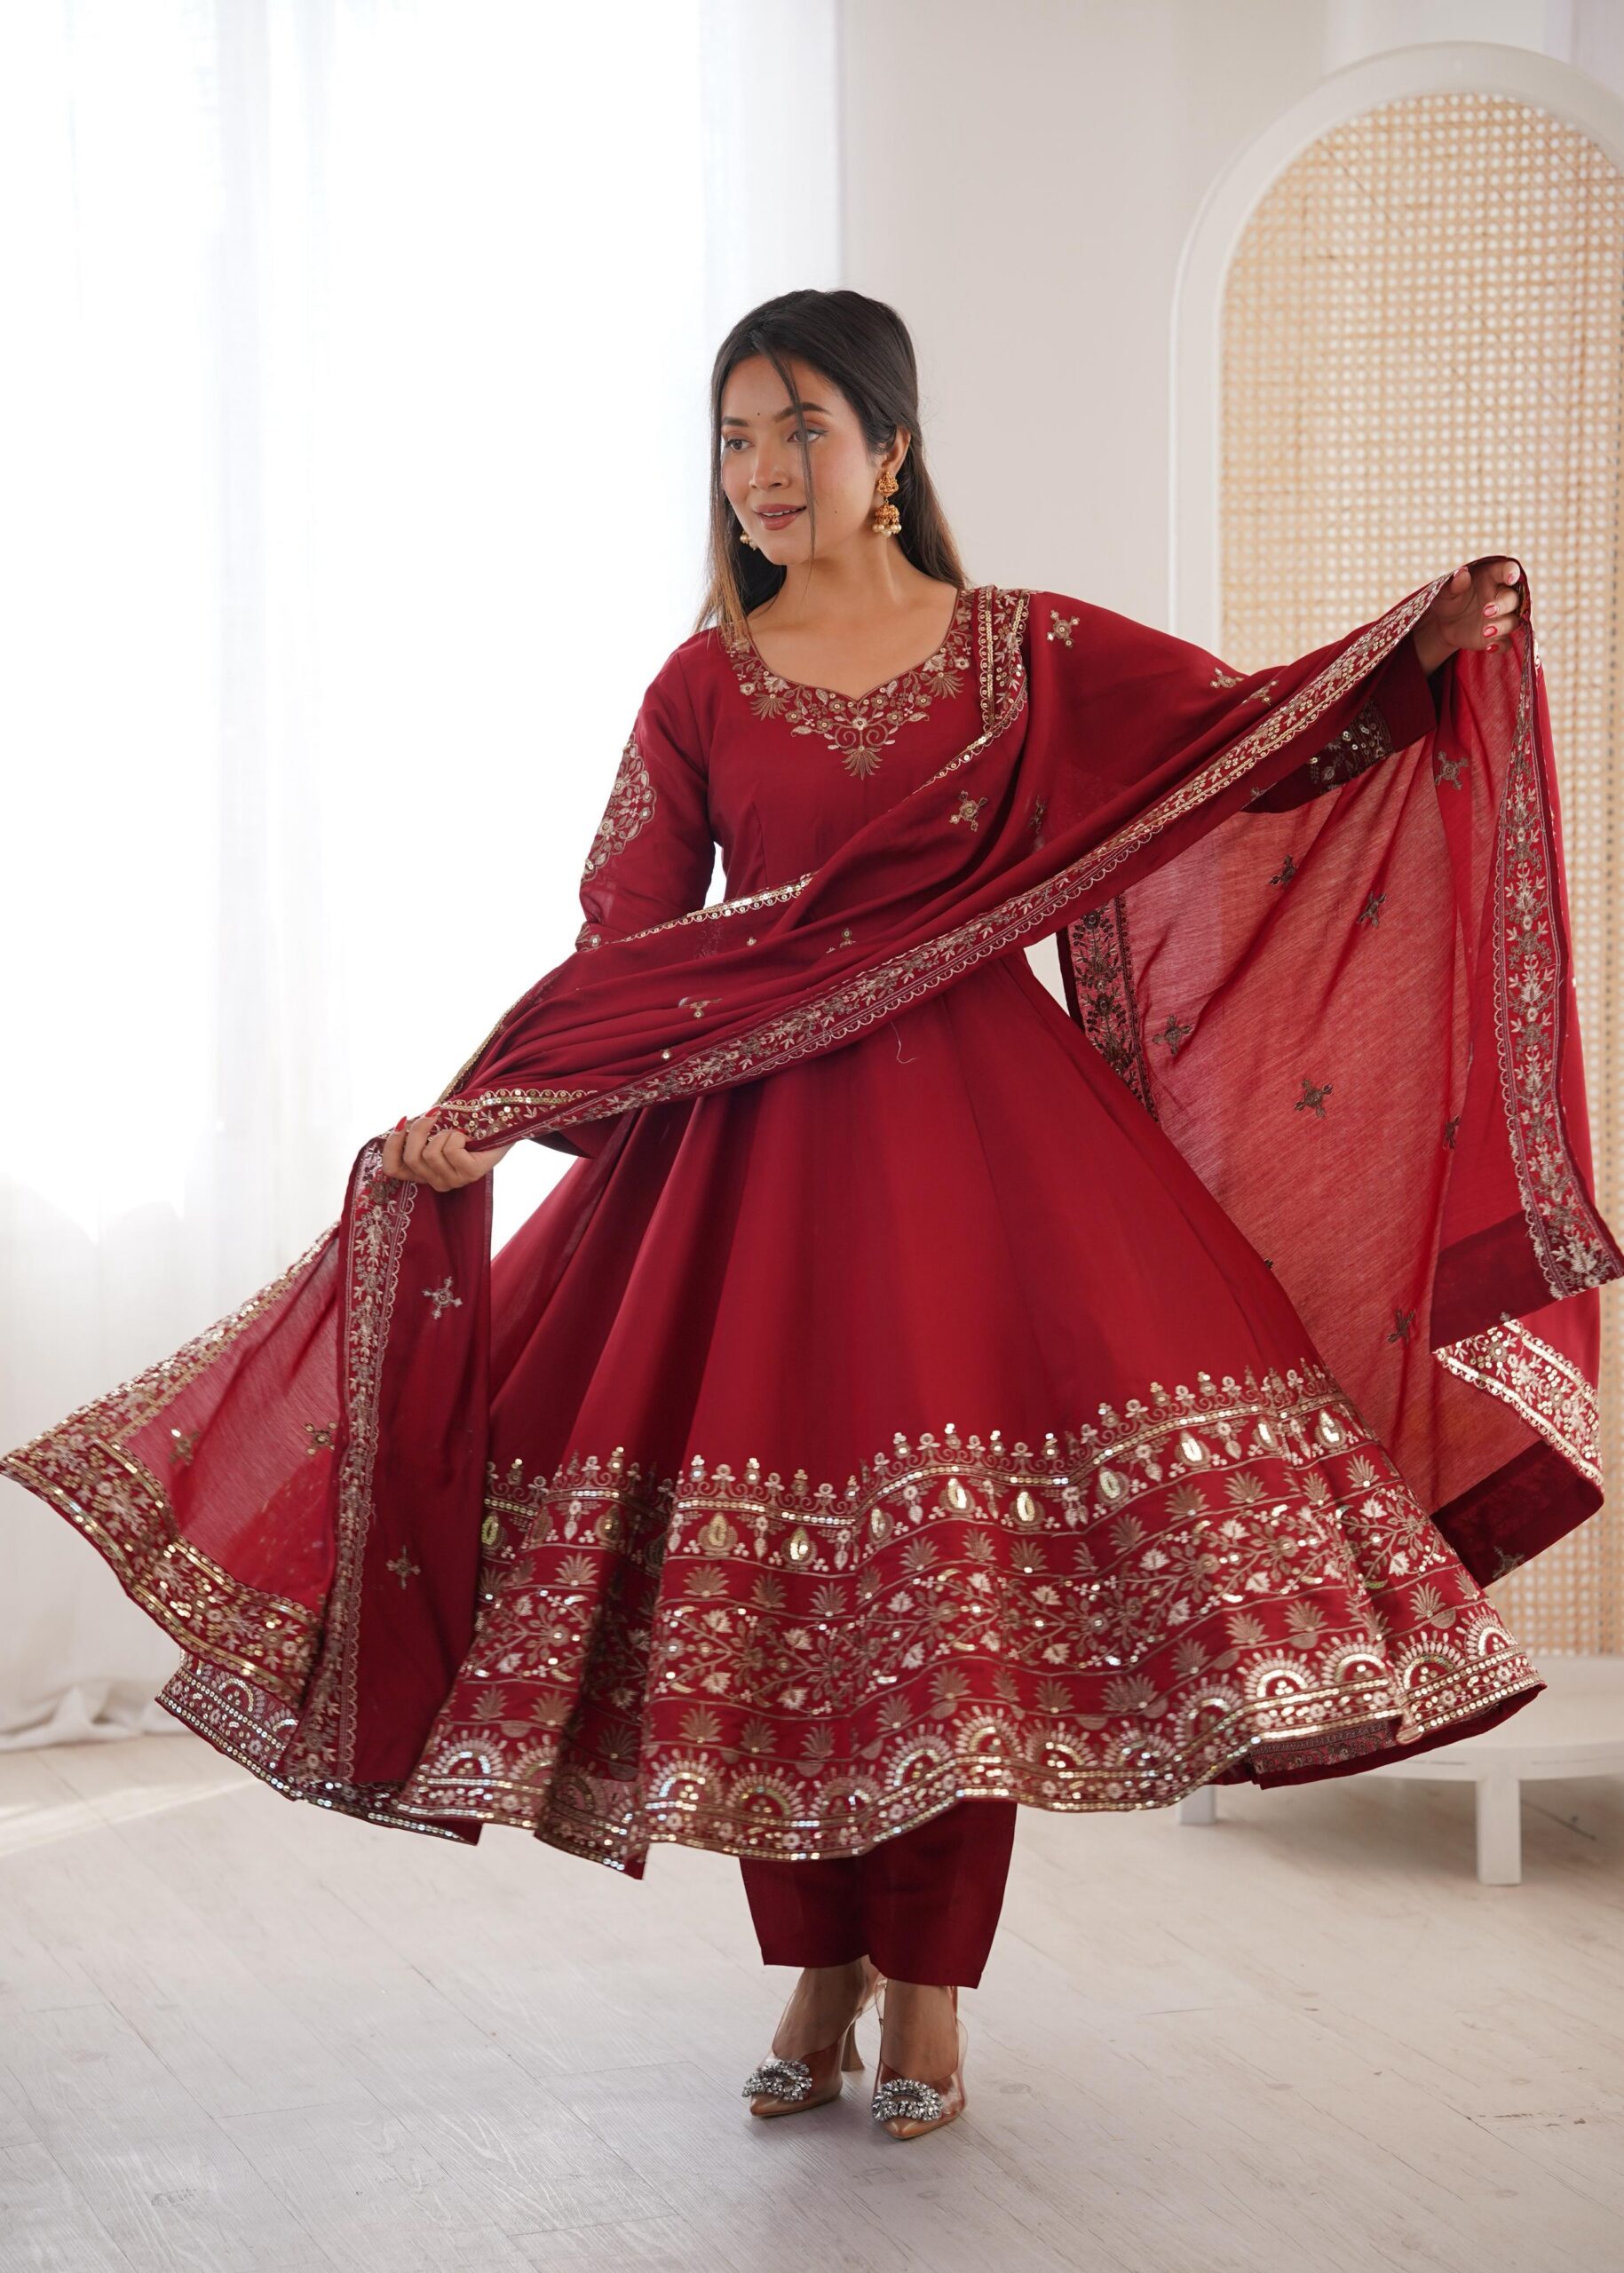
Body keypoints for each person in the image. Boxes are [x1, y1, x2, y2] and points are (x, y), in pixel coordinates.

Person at [4, 289, 1617, 2148]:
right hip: (747, 1172)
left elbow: (1240, 743)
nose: (763, 471)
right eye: (735, 438)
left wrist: (1414, 651)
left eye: (800, 431)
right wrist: (492, 1102)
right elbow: (628, 941)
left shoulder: (1028, 650)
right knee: (773, 1612)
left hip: (992, 1169)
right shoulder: (701, 685)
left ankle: (928, 1984)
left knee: (961, 1604)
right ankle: (818, 1966)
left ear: (890, 449)